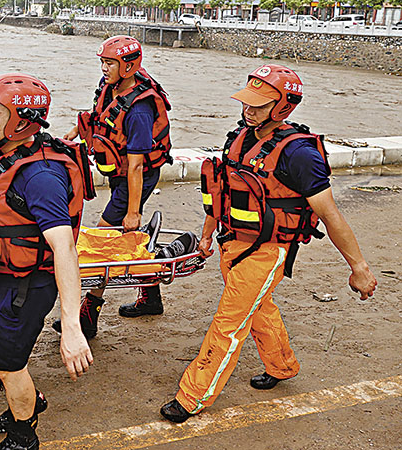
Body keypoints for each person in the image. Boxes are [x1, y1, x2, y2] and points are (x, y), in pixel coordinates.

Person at [160, 65, 378, 423]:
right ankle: (282, 366)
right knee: (259, 309)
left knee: (228, 324)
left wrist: (359, 267)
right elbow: (219, 190)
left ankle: (192, 397)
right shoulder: (240, 137)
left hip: (267, 250)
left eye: (259, 104)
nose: (249, 109)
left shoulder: (300, 154)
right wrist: (206, 235)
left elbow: (330, 215)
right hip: (232, 244)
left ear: (283, 106)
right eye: (247, 101)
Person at [0, 74, 94, 450]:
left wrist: (72, 327)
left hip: (27, 284)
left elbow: (64, 250)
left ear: (21, 121)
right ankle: (28, 394)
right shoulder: (2, 153)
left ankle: (24, 433)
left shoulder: (41, 176)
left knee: (10, 366)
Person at [55, 35, 172, 338]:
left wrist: (132, 211)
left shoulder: (140, 110)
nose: (104, 68)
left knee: (104, 239)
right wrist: (65, 144)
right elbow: (94, 121)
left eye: (110, 63)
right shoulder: (113, 87)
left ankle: (88, 314)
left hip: (139, 176)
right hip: (124, 174)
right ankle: (151, 297)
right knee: (122, 235)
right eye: (103, 62)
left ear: (129, 66)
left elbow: (136, 164)